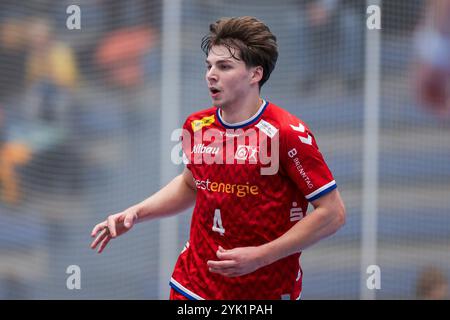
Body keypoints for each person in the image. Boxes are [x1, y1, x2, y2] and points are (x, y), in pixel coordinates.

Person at [90, 16, 346, 300]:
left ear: (255, 74)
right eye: (209, 66)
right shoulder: (196, 126)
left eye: (224, 67)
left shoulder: (287, 133)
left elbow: (332, 213)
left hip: (265, 290)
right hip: (194, 285)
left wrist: (261, 256)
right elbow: (191, 184)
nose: (211, 74)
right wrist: (136, 213)